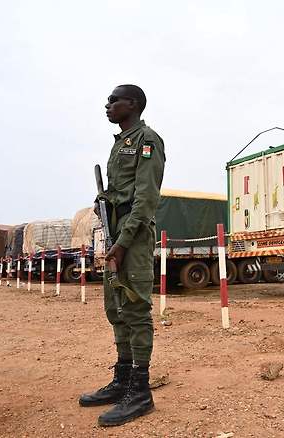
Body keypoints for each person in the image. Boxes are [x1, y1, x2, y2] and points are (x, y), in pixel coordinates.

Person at [79, 84, 165, 427]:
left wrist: (123, 241)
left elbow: (145, 199)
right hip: (116, 236)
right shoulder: (120, 144)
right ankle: (122, 380)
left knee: (135, 308)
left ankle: (140, 392)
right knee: (115, 308)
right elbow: (119, 195)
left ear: (134, 104)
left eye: (115, 99)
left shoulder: (147, 140)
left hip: (133, 239)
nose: (108, 104)